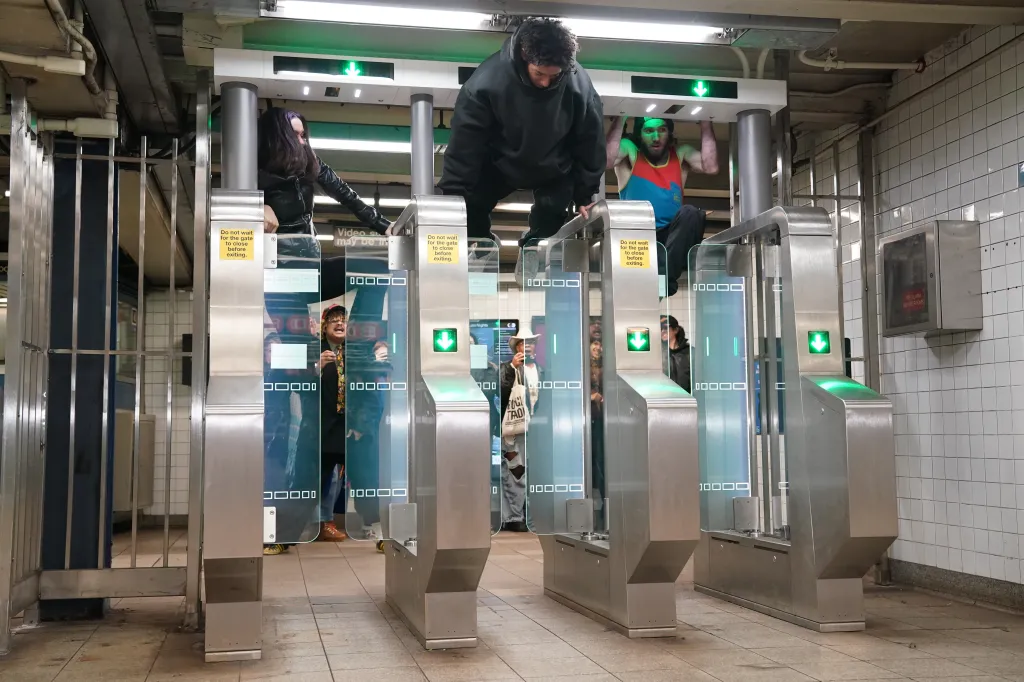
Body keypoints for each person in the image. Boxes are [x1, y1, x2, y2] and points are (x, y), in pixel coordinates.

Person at [438, 17, 605, 281]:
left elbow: (591, 140)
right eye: (539, 74)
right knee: (472, 203)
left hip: (555, 165)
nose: (545, 83)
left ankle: (533, 245)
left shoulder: (578, 85)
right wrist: (453, 196)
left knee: (553, 210)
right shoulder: (486, 82)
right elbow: (465, 143)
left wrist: (585, 193)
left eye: (554, 76)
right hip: (498, 163)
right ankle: (482, 246)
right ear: (523, 57)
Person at [258, 107, 390, 298]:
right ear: (276, 137)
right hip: (279, 274)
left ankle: (362, 329)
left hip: (311, 267)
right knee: (296, 328)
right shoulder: (252, 170)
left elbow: (346, 194)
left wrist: (384, 226)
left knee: (375, 269)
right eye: (295, 135)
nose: (303, 142)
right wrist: (256, 207)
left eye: (303, 135)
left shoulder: (310, 163)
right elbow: (232, 208)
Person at [606, 116, 719, 297]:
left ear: (669, 133)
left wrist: (706, 123)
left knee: (692, 213)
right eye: (649, 131)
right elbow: (606, 161)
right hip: (639, 236)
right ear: (640, 134)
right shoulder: (631, 153)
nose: (656, 137)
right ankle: (659, 284)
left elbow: (711, 167)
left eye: (662, 130)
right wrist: (621, 116)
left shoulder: (680, 155)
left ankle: (663, 281)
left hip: (671, 239)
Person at [499, 327, 542, 532]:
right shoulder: (507, 367)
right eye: (524, 343)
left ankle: (527, 514)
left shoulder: (541, 369)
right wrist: (511, 368)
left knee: (533, 471)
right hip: (513, 429)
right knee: (514, 470)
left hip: (535, 427)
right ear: (517, 347)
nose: (529, 346)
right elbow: (501, 390)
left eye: (531, 342)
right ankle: (512, 518)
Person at [663, 315, 692, 393]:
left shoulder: (689, 352)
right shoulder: (658, 353)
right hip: (664, 397)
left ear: (675, 330)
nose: (662, 331)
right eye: (660, 328)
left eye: (666, 328)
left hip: (687, 397)